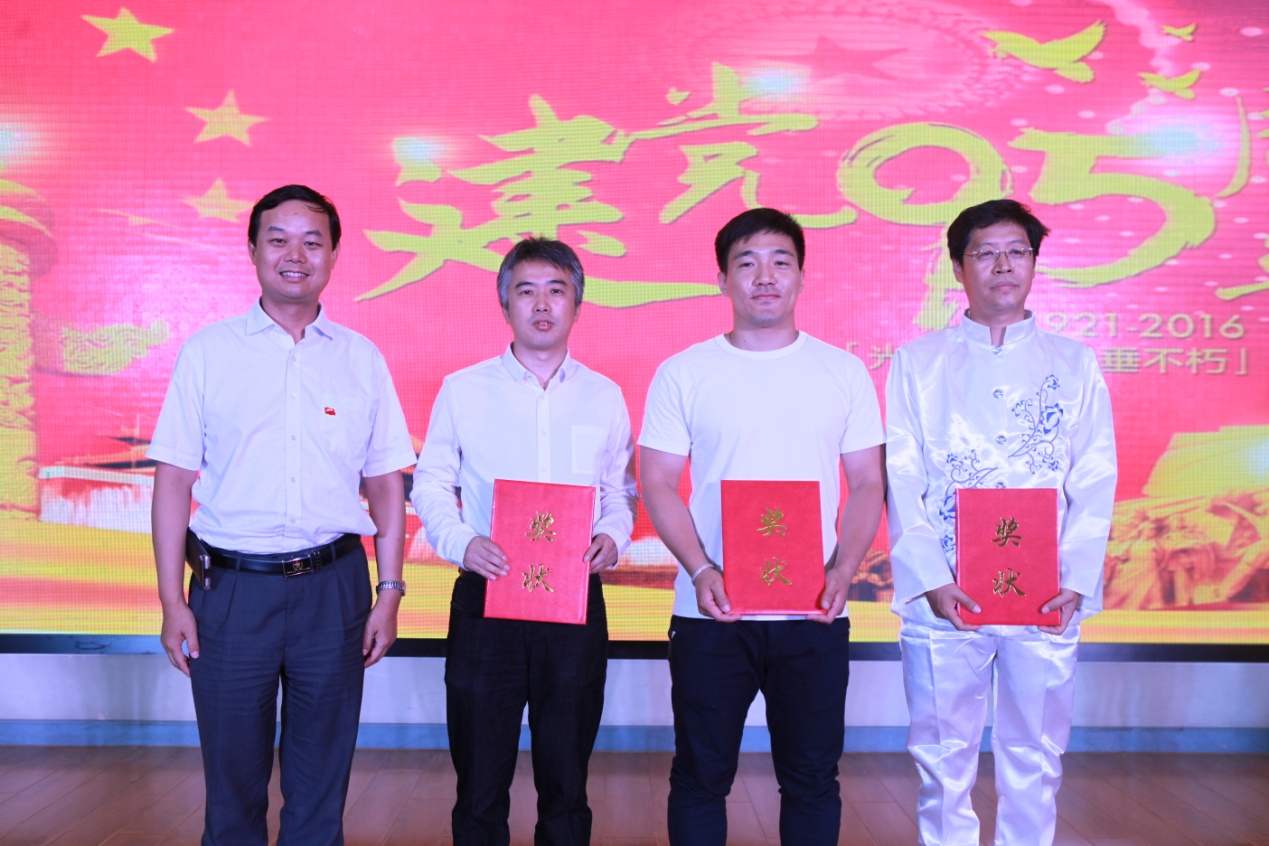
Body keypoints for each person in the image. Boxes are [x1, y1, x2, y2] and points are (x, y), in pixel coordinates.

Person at [150, 185, 417, 846]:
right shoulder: (208, 352)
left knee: (321, 784)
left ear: (333, 255)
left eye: (312, 241)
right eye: (278, 239)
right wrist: (171, 602)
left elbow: (386, 483)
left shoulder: (360, 358)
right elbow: (173, 481)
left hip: (334, 589)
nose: (295, 255)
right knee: (231, 787)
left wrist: (388, 592)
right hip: (231, 592)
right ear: (252, 250)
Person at [639, 208, 885, 846]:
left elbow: (867, 482)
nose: (765, 276)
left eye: (781, 261)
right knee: (701, 776)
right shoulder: (684, 371)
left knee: (812, 779)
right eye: (746, 263)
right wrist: (701, 569)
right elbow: (657, 481)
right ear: (722, 279)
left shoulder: (843, 371)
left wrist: (843, 570)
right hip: (712, 611)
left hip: (814, 612)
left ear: (802, 275)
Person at [885, 198, 1118, 846]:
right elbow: (901, 475)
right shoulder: (918, 362)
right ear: (958, 267)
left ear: (1035, 263)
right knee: (941, 754)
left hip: (1043, 593)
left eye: (1017, 251)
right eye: (985, 253)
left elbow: (1094, 476)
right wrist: (931, 577)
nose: (1003, 265)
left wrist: (1075, 578)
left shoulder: (1073, 362)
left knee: (1035, 754)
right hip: (946, 591)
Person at [412, 237, 637, 845]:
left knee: (567, 780)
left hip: (573, 599)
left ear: (577, 304)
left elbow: (619, 492)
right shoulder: (464, 389)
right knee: (480, 781)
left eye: (556, 290)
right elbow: (431, 482)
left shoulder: (604, 395)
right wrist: (461, 541)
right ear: (504, 303)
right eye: (526, 290)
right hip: (487, 596)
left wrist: (612, 536)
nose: (542, 304)